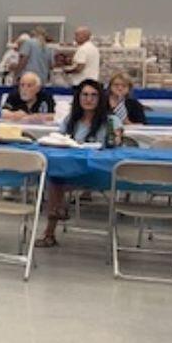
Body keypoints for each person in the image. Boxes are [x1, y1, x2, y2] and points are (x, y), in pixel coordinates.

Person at [37, 79, 115, 248]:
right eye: (85, 95)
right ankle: (56, 216)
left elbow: (114, 144)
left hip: (98, 171)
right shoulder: (71, 120)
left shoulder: (110, 121)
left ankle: (51, 227)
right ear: (78, 98)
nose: (89, 99)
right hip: (72, 170)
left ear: (100, 98)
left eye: (93, 95)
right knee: (54, 178)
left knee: (55, 182)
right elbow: (58, 138)